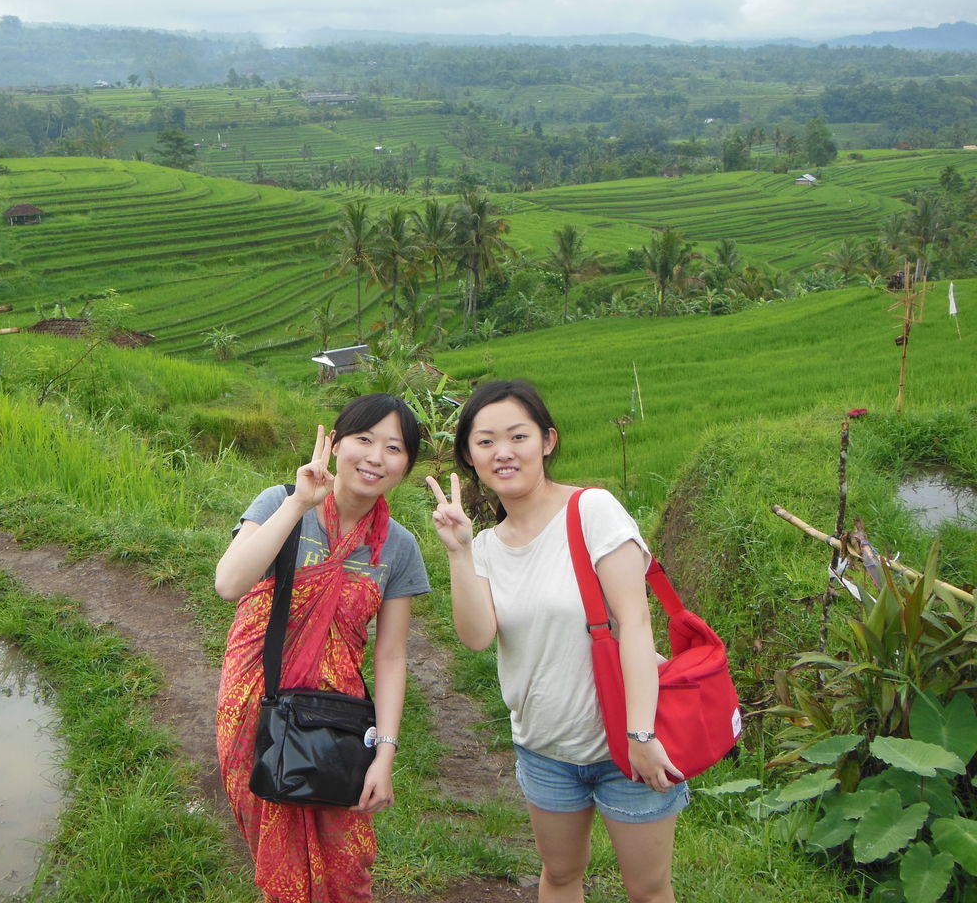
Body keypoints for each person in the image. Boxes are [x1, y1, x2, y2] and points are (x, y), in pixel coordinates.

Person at [426, 379, 686, 903]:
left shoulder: (592, 511)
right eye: (485, 441)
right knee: (561, 874)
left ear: (547, 441)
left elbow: (636, 623)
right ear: (470, 457)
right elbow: (477, 637)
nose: (503, 452)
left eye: (518, 436)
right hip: (543, 748)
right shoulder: (485, 546)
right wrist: (459, 553)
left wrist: (640, 735)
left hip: (625, 742)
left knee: (648, 887)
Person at [215, 393, 430, 903]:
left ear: (406, 465)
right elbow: (229, 583)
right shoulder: (280, 501)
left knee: (347, 864)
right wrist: (298, 504)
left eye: (393, 448)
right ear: (335, 444)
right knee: (274, 848)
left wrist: (385, 753)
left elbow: (391, 656)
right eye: (364, 440)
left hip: (335, 721)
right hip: (256, 705)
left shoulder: (399, 548)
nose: (375, 457)